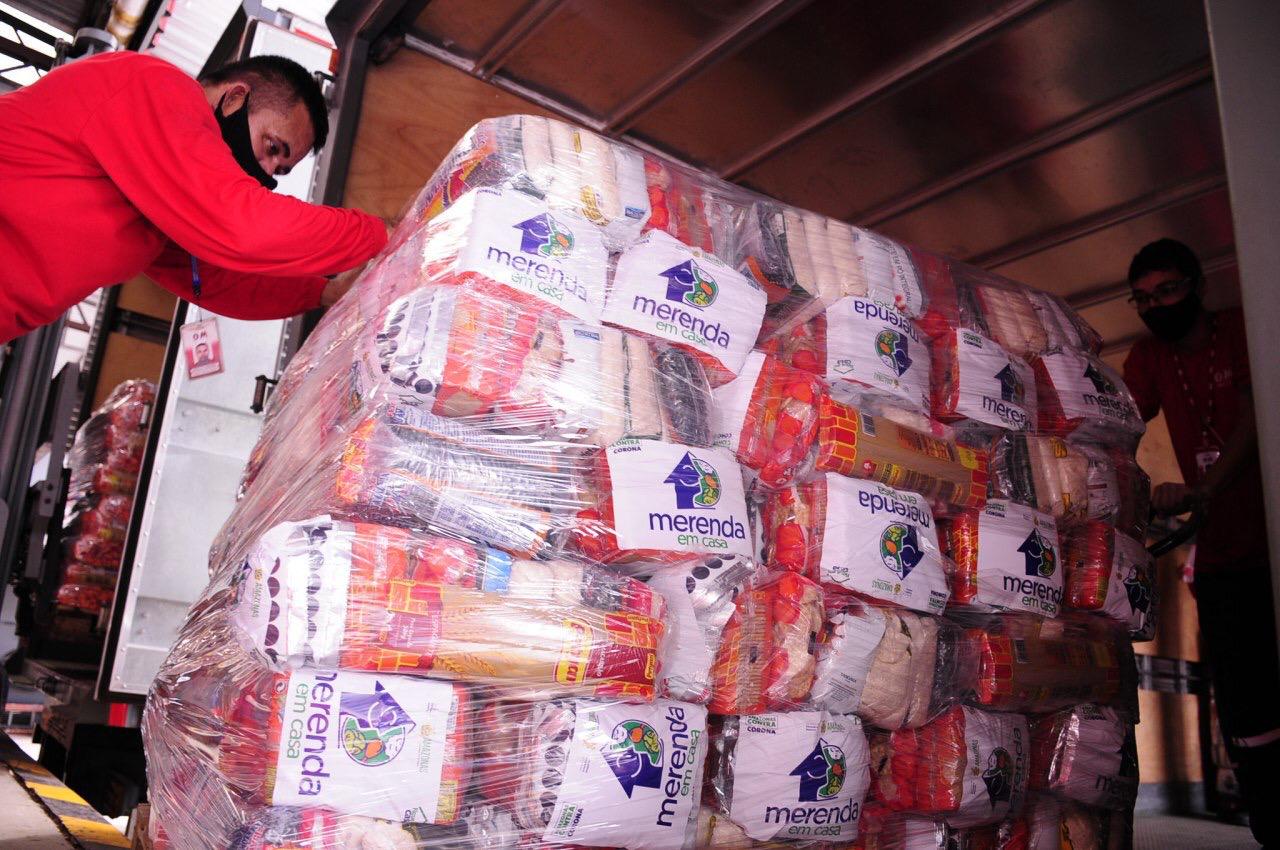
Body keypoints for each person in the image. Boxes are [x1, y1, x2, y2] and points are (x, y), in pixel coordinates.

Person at [0, 51, 389, 344]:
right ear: (235, 98)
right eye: (272, 148)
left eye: (280, 170)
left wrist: (323, 291)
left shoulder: (160, 197)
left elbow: (215, 280)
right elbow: (241, 226)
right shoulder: (154, 87)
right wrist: (379, 235)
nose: (267, 173)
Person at [1121, 238, 1280, 847]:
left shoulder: (1238, 330)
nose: (1155, 306)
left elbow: (1257, 416)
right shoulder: (1148, 357)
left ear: (1197, 285)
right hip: (1221, 555)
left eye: (1167, 290)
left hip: (1266, 537)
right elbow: (1120, 426)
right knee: (1243, 699)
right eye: (1142, 298)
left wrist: (1204, 487)